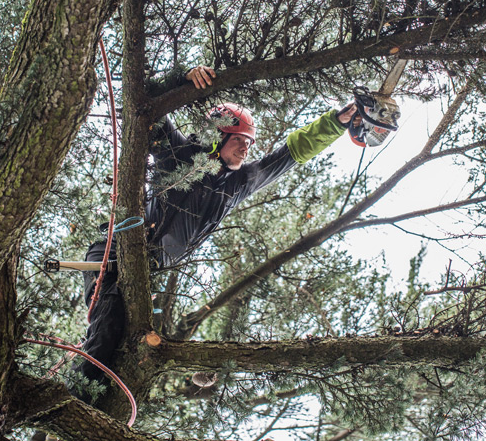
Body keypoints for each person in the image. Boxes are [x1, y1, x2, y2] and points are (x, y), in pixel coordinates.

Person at [71, 65, 358, 401]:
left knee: (130, 350)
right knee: (106, 331)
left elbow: (290, 154)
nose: (246, 149)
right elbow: (143, 101)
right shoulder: (179, 155)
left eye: (249, 143)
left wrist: (334, 124)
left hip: (146, 272)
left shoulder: (238, 185)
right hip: (115, 253)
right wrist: (183, 80)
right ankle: (72, 405)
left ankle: (92, 411)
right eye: (239, 140)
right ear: (218, 137)